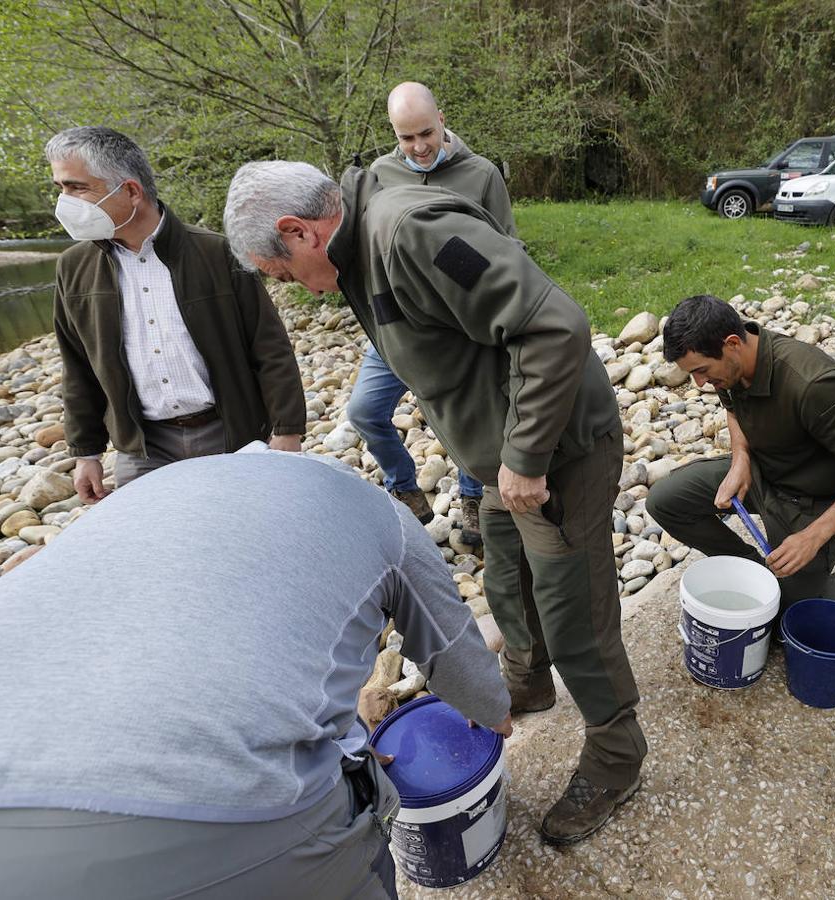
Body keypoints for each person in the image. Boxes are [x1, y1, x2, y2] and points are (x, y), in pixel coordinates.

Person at [223, 161, 648, 845]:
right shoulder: (357, 252)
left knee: (576, 613)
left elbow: (556, 327)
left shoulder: (407, 233)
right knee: (508, 583)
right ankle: (527, 682)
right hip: (503, 465)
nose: (295, 291)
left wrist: (526, 456)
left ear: (298, 232)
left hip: (557, 456)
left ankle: (617, 755)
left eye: (283, 274)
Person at [0, 450, 512, 899]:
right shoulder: (374, 511)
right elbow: (453, 646)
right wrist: (494, 713)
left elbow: (180, 650)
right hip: (196, 819)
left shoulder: (150, 495)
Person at [46, 126, 305, 504]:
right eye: (61, 188)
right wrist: (86, 451)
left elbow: (270, 348)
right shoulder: (73, 269)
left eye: (77, 187)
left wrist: (286, 430)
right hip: (143, 450)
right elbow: (78, 367)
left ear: (131, 192)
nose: (65, 202)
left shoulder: (218, 255)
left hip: (230, 435)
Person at [646, 295, 835, 613]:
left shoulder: (814, 386)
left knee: (792, 620)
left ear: (732, 343)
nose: (699, 383)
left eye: (701, 371)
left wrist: (813, 537)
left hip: (810, 501)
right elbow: (733, 406)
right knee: (665, 501)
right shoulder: (730, 362)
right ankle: (758, 573)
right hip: (762, 474)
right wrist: (740, 459)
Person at [344, 81, 516, 540]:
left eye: (425, 133)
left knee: (463, 419)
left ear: (441, 121)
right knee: (363, 411)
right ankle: (405, 487)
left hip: (457, 331)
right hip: (395, 326)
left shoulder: (481, 174)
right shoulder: (378, 175)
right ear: (393, 135)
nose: (419, 147)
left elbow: (509, 251)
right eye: (406, 138)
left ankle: (473, 495)